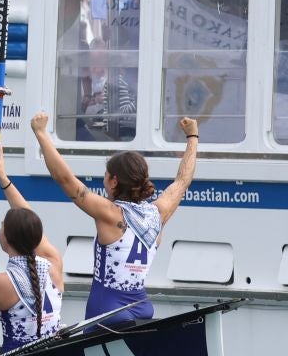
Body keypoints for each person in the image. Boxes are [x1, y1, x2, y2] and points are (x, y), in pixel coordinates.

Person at [33, 110, 199, 327]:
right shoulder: (158, 214)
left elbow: (65, 179)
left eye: (105, 175)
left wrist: (41, 133)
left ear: (113, 181)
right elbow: (182, 181)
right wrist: (192, 137)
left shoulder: (110, 213)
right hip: (142, 306)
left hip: (107, 308)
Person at [0, 156, 63, 351]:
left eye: (1, 226)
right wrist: (3, 178)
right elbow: (29, 219)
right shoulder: (53, 264)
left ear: (5, 237)